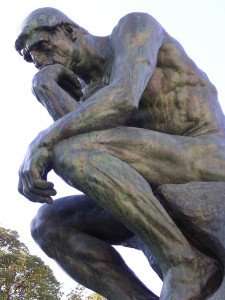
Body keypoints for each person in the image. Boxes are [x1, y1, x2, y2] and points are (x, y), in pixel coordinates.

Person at [15, 7, 225, 300]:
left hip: (207, 153)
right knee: (49, 224)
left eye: (41, 46)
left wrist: (43, 142)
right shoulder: (90, 93)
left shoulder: (134, 28)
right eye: (29, 57)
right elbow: (84, 153)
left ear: (70, 31)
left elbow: (123, 99)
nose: (37, 60)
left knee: (71, 152)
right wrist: (46, 89)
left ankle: (185, 263)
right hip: (149, 176)